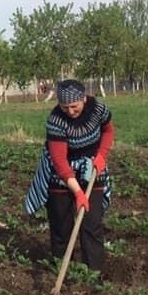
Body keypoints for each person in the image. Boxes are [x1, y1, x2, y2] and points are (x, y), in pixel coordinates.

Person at [24, 79, 114, 274]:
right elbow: (60, 162)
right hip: (61, 173)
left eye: (74, 106)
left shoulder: (98, 108)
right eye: (65, 107)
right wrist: (78, 193)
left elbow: (108, 130)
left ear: (83, 98)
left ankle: (94, 273)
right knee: (61, 225)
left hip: (91, 167)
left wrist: (101, 155)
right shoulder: (56, 120)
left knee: (91, 224)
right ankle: (64, 270)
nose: (70, 111)